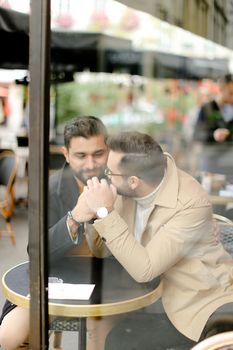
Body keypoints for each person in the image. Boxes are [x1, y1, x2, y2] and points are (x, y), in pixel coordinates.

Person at [73, 131, 233, 347]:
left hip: (191, 302)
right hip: (141, 293)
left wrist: (105, 212)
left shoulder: (191, 202)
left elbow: (144, 269)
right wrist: (94, 215)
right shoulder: (124, 190)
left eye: (110, 172)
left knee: (119, 342)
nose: (105, 176)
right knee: (99, 326)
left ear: (133, 181)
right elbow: (103, 250)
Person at [0, 116, 109, 350]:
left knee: (96, 334)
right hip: (59, 279)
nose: (90, 163)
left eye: (98, 154)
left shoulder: (121, 184)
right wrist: (74, 218)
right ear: (66, 154)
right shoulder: (48, 188)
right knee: (7, 338)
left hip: (109, 281)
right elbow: (35, 251)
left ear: (108, 150)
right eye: (81, 155)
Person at [192, 74, 233, 175]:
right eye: (231, 93)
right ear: (221, 89)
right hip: (211, 166)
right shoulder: (207, 109)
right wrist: (213, 135)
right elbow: (197, 135)